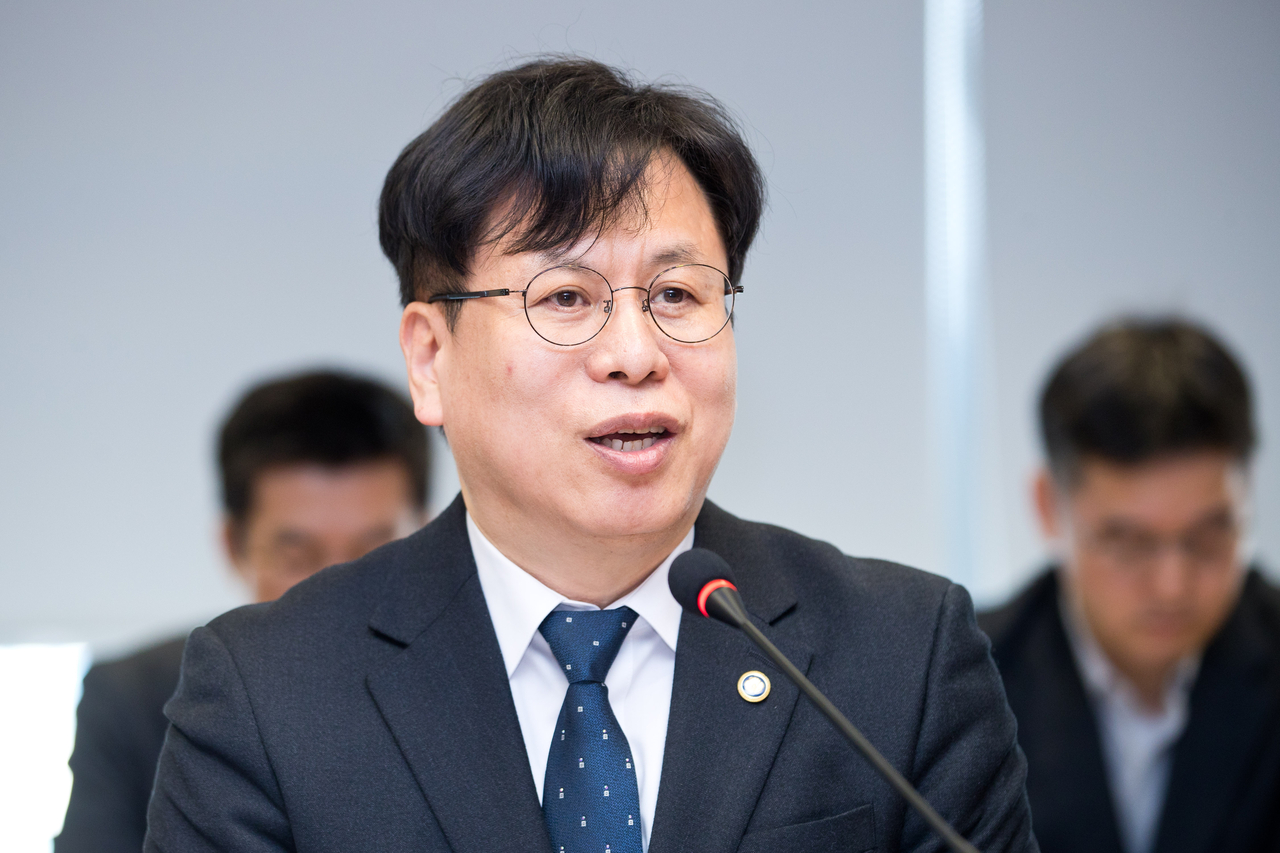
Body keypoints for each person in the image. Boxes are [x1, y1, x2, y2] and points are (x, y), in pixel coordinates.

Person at [144, 58, 1037, 853]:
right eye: (565, 296)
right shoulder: (268, 695)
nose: (636, 352)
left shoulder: (899, 658)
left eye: (679, 294)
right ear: (430, 358)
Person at [56, 370, 429, 853]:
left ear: (425, 536)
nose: (338, 591)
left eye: (375, 552)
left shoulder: (485, 679)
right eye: (298, 558)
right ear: (234, 545)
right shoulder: (134, 701)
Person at [979, 319, 1280, 853]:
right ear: (1050, 506)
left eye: (1208, 538)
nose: (1171, 586)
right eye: (1129, 543)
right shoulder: (969, 681)